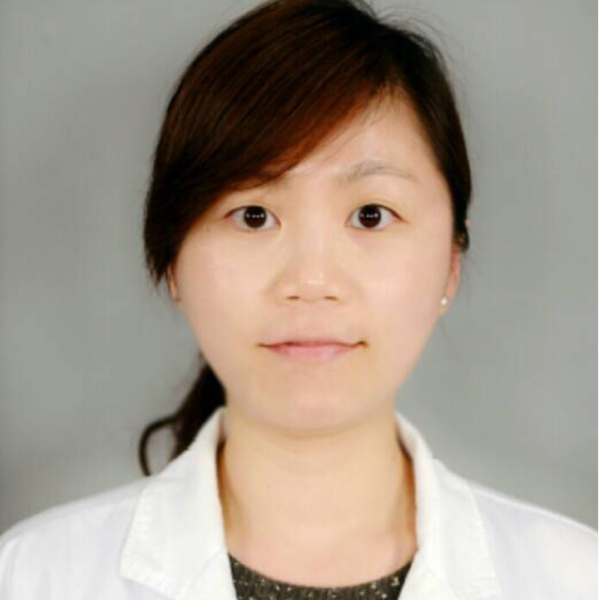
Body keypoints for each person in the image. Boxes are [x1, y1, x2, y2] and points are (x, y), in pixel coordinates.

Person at [0, 0, 596, 599]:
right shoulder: (35, 576)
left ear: (451, 261)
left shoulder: (572, 577)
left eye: (371, 214)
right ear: (173, 260)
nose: (311, 280)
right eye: (253, 216)